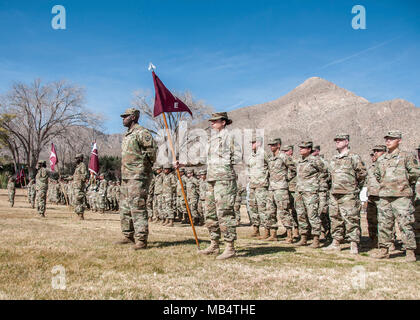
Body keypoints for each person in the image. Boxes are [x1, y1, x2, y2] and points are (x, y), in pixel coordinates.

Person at [197, 112, 241, 259]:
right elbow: (204, 159)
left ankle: (230, 247)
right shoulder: (211, 140)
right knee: (209, 213)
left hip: (224, 180)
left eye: (215, 121)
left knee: (225, 212)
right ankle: (214, 244)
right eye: (211, 121)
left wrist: (224, 161)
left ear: (223, 122)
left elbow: (238, 156)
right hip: (211, 179)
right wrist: (184, 163)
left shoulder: (231, 136)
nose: (212, 123)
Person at [372, 131, 419, 262]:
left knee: (405, 224)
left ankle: (410, 252)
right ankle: (384, 250)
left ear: (399, 140)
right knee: (384, 224)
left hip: (401, 196)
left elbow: (414, 173)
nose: (388, 141)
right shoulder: (381, 159)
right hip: (385, 196)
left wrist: (402, 183)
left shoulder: (406, 157)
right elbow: (377, 175)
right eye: (387, 139)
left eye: (392, 139)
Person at [115, 108, 157, 250]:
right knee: (125, 207)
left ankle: (141, 239)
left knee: (137, 207)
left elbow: (152, 152)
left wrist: (143, 167)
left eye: (125, 116)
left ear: (133, 117)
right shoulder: (128, 135)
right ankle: (128, 235)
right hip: (126, 176)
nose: (123, 119)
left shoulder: (142, 132)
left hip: (138, 176)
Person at [294, 141, 327, 248]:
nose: (301, 149)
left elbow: (325, 172)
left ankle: (316, 239)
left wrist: (316, 183)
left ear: (309, 149)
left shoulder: (315, 160)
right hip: (299, 191)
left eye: (303, 148)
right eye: (300, 148)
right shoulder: (299, 161)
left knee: (312, 215)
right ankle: (303, 237)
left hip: (311, 192)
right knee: (301, 214)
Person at [266, 138, 294, 242]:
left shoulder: (284, 157)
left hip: (281, 188)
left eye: (273, 145)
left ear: (278, 145)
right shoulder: (270, 158)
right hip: (271, 188)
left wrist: (287, 178)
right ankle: (273, 234)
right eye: (270, 145)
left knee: (283, 211)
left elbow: (293, 169)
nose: (271, 147)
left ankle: (289, 235)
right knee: (270, 211)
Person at [248, 137, 272, 239]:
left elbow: (271, 166)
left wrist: (267, 179)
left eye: (253, 143)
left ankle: (267, 231)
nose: (252, 144)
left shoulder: (264, 154)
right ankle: (256, 229)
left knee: (263, 209)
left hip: (262, 185)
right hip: (253, 184)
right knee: (253, 208)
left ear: (259, 143)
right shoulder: (251, 156)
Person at [365, 145, 386, 248]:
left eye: (378, 151)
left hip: (382, 196)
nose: (376, 153)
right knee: (371, 219)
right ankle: (373, 240)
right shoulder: (371, 167)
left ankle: (387, 242)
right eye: (374, 151)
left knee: (384, 221)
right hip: (371, 196)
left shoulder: (386, 164)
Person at [312, 145, 331, 241]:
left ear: (318, 151)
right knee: (314, 212)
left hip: (322, 190)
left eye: (314, 151)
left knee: (322, 211)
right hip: (313, 190)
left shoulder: (323, 162)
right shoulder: (309, 161)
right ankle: (318, 232)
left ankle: (325, 231)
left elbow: (328, 174)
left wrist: (322, 181)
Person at [282, 145, 299, 240]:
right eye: (283, 151)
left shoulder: (295, 161)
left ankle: (296, 230)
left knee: (295, 210)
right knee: (286, 210)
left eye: (286, 151)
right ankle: (288, 229)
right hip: (286, 188)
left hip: (294, 188)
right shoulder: (283, 161)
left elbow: (296, 171)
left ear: (291, 151)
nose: (284, 153)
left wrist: (288, 177)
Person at [72, 154, 88, 220]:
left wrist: (79, 180)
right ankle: (78, 213)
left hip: (79, 186)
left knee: (79, 200)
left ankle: (81, 215)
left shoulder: (82, 165)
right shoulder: (77, 167)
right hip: (76, 186)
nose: (76, 160)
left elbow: (84, 175)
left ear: (81, 158)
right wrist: (65, 178)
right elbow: (74, 176)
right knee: (76, 201)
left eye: (77, 158)